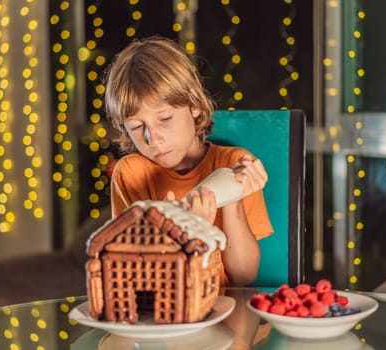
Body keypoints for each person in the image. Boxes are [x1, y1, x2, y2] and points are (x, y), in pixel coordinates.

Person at [103, 36, 273, 286]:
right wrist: (189, 233)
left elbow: (243, 277)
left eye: (165, 119)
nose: (153, 138)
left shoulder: (233, 165)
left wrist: (232, 198)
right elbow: (133, 273)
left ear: (194, 106)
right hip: (161, 312)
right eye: (137, 126)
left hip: (225, 310)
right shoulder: (131, 174)